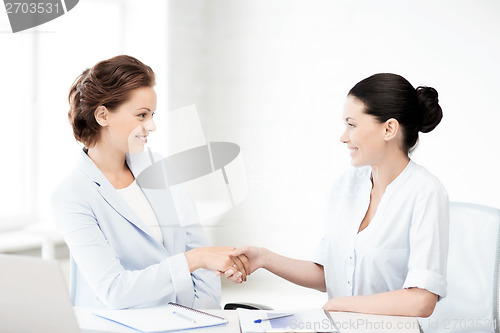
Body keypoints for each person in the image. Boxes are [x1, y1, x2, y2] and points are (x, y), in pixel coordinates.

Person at [232, 73, 449, 317]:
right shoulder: (344, 187)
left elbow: (422, 300)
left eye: (352, 124)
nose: (343, 136)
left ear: (389, 128)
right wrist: (263, 258)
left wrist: (339, 305)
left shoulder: (425, 192)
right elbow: (332, 274)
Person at [52, 55, 248, 310]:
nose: (151, 125)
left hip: (186, 321)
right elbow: (115, 290)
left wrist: (203, 314)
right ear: (102, 115)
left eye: (152, 114)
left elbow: (197, 245)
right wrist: (193, 260)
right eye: (142, 115)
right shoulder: (72, 195)